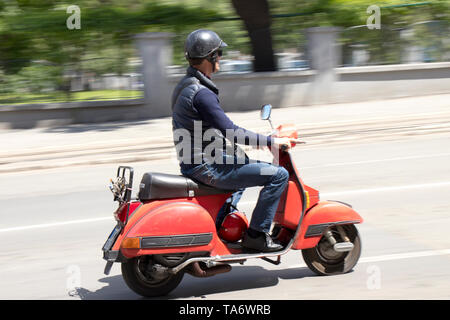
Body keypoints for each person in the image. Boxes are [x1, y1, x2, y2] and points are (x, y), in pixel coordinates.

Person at [171, 29, 297, 252]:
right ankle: (257, 235)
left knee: (243, 160)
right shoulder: (201, 93)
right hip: (207, 167)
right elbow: (231, 130)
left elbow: (209, 129)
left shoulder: (185, 85)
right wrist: (271, 142)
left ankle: (222, 222)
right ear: (210, 56)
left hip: (195, 162)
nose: (220, 57)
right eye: (218, 53)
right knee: (278, 175)